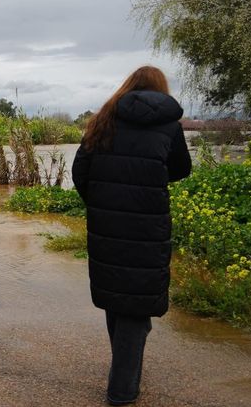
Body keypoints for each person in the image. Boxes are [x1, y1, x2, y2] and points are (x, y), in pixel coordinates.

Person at [71, 66, 191, 405]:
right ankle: (121, 390)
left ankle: (125, 368)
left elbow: (80, 171)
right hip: (148, 227)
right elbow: (181, 169)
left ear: (128, 86)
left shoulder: (103, 120)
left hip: (107, 226)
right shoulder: (170, 125)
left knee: (117, 295)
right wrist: (150, 177)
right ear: (160, 89)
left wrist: (101, 204)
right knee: (136, 302)